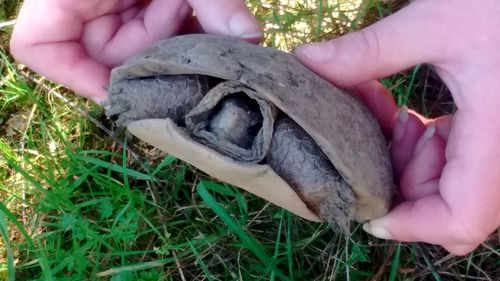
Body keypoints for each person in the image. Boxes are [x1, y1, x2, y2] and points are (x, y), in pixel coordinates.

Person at [10, 0, 499, 256]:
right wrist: (127, 96)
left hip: (303, 127)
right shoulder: (189, 95)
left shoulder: (283, 136)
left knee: (304, 158)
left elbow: (296, 143)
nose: (236, 119)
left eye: (246, 115)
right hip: (204, 70)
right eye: (236, 110)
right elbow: (157, 91)